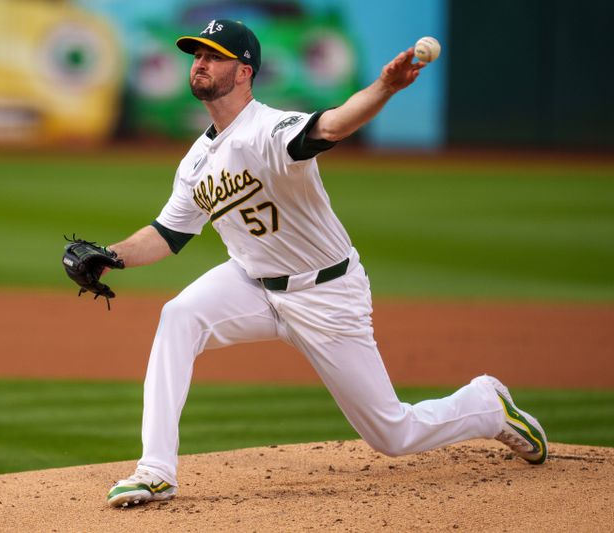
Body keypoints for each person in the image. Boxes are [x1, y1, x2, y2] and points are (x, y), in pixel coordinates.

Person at [103, 19, 547, 508]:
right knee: (179, 316)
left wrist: (384, 87)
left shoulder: (268, 130)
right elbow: (169, 234)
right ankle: (156, 470)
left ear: (245, 71)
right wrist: (110, 257)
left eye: (213, 55)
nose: (200, 63)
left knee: (392, 434)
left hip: (326, 293)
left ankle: (487, 406)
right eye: (197, 55)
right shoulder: (194, 161)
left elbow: (332, 125)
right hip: (252, 283)